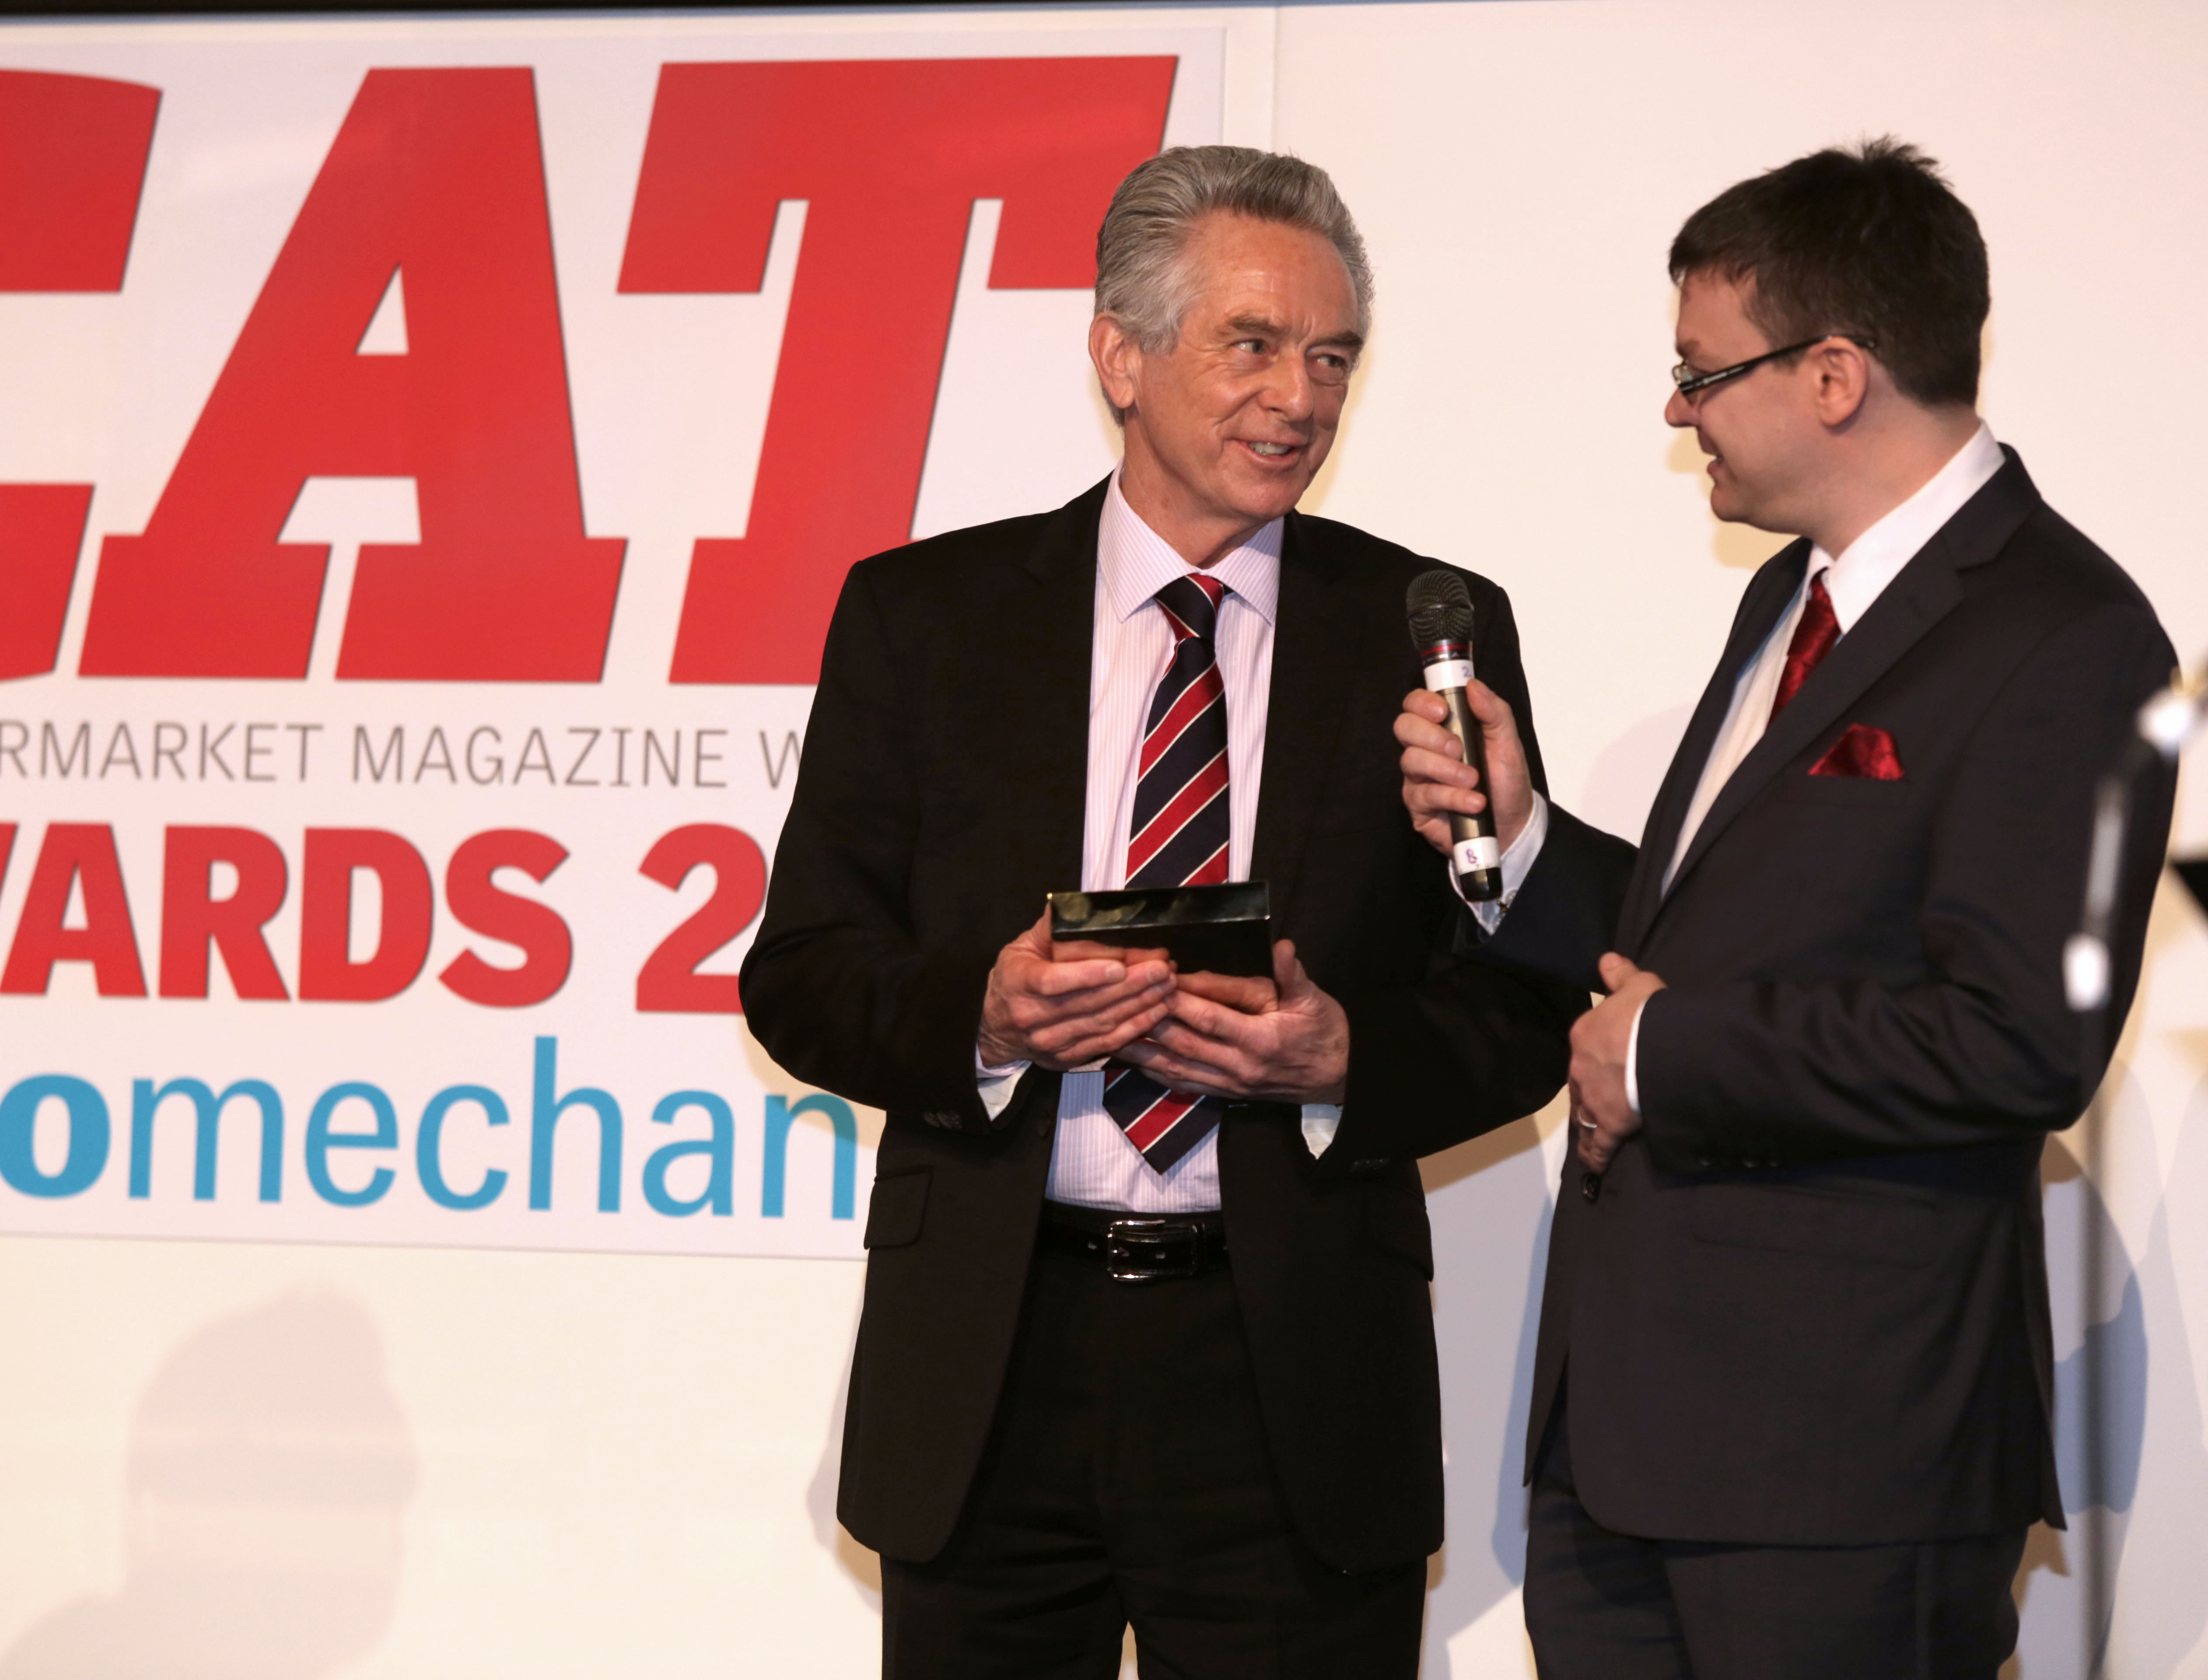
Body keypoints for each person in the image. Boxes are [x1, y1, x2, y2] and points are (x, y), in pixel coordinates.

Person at [742, 145, 1585, 1677]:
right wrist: (985, 1019)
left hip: (1295, 1377)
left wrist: (1345, 1060)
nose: (1300, 398)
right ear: (1120, 357)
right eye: (1253, 344)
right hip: (992, 1364)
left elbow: (1523, 1004)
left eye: (1333, 357)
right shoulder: (927, 619)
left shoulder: (1427, 629)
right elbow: (800, 974)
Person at [1396, 139, 2176, 1676]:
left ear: (1833, 377)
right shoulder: (1788, 597)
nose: (1677, 413)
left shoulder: (2071, 637)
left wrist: (1663, 1059)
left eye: (1700, 373)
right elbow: (1711, 941)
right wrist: (1526, 842)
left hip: (1845, 1469)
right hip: (1627, 1448)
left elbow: (2021, 1036)